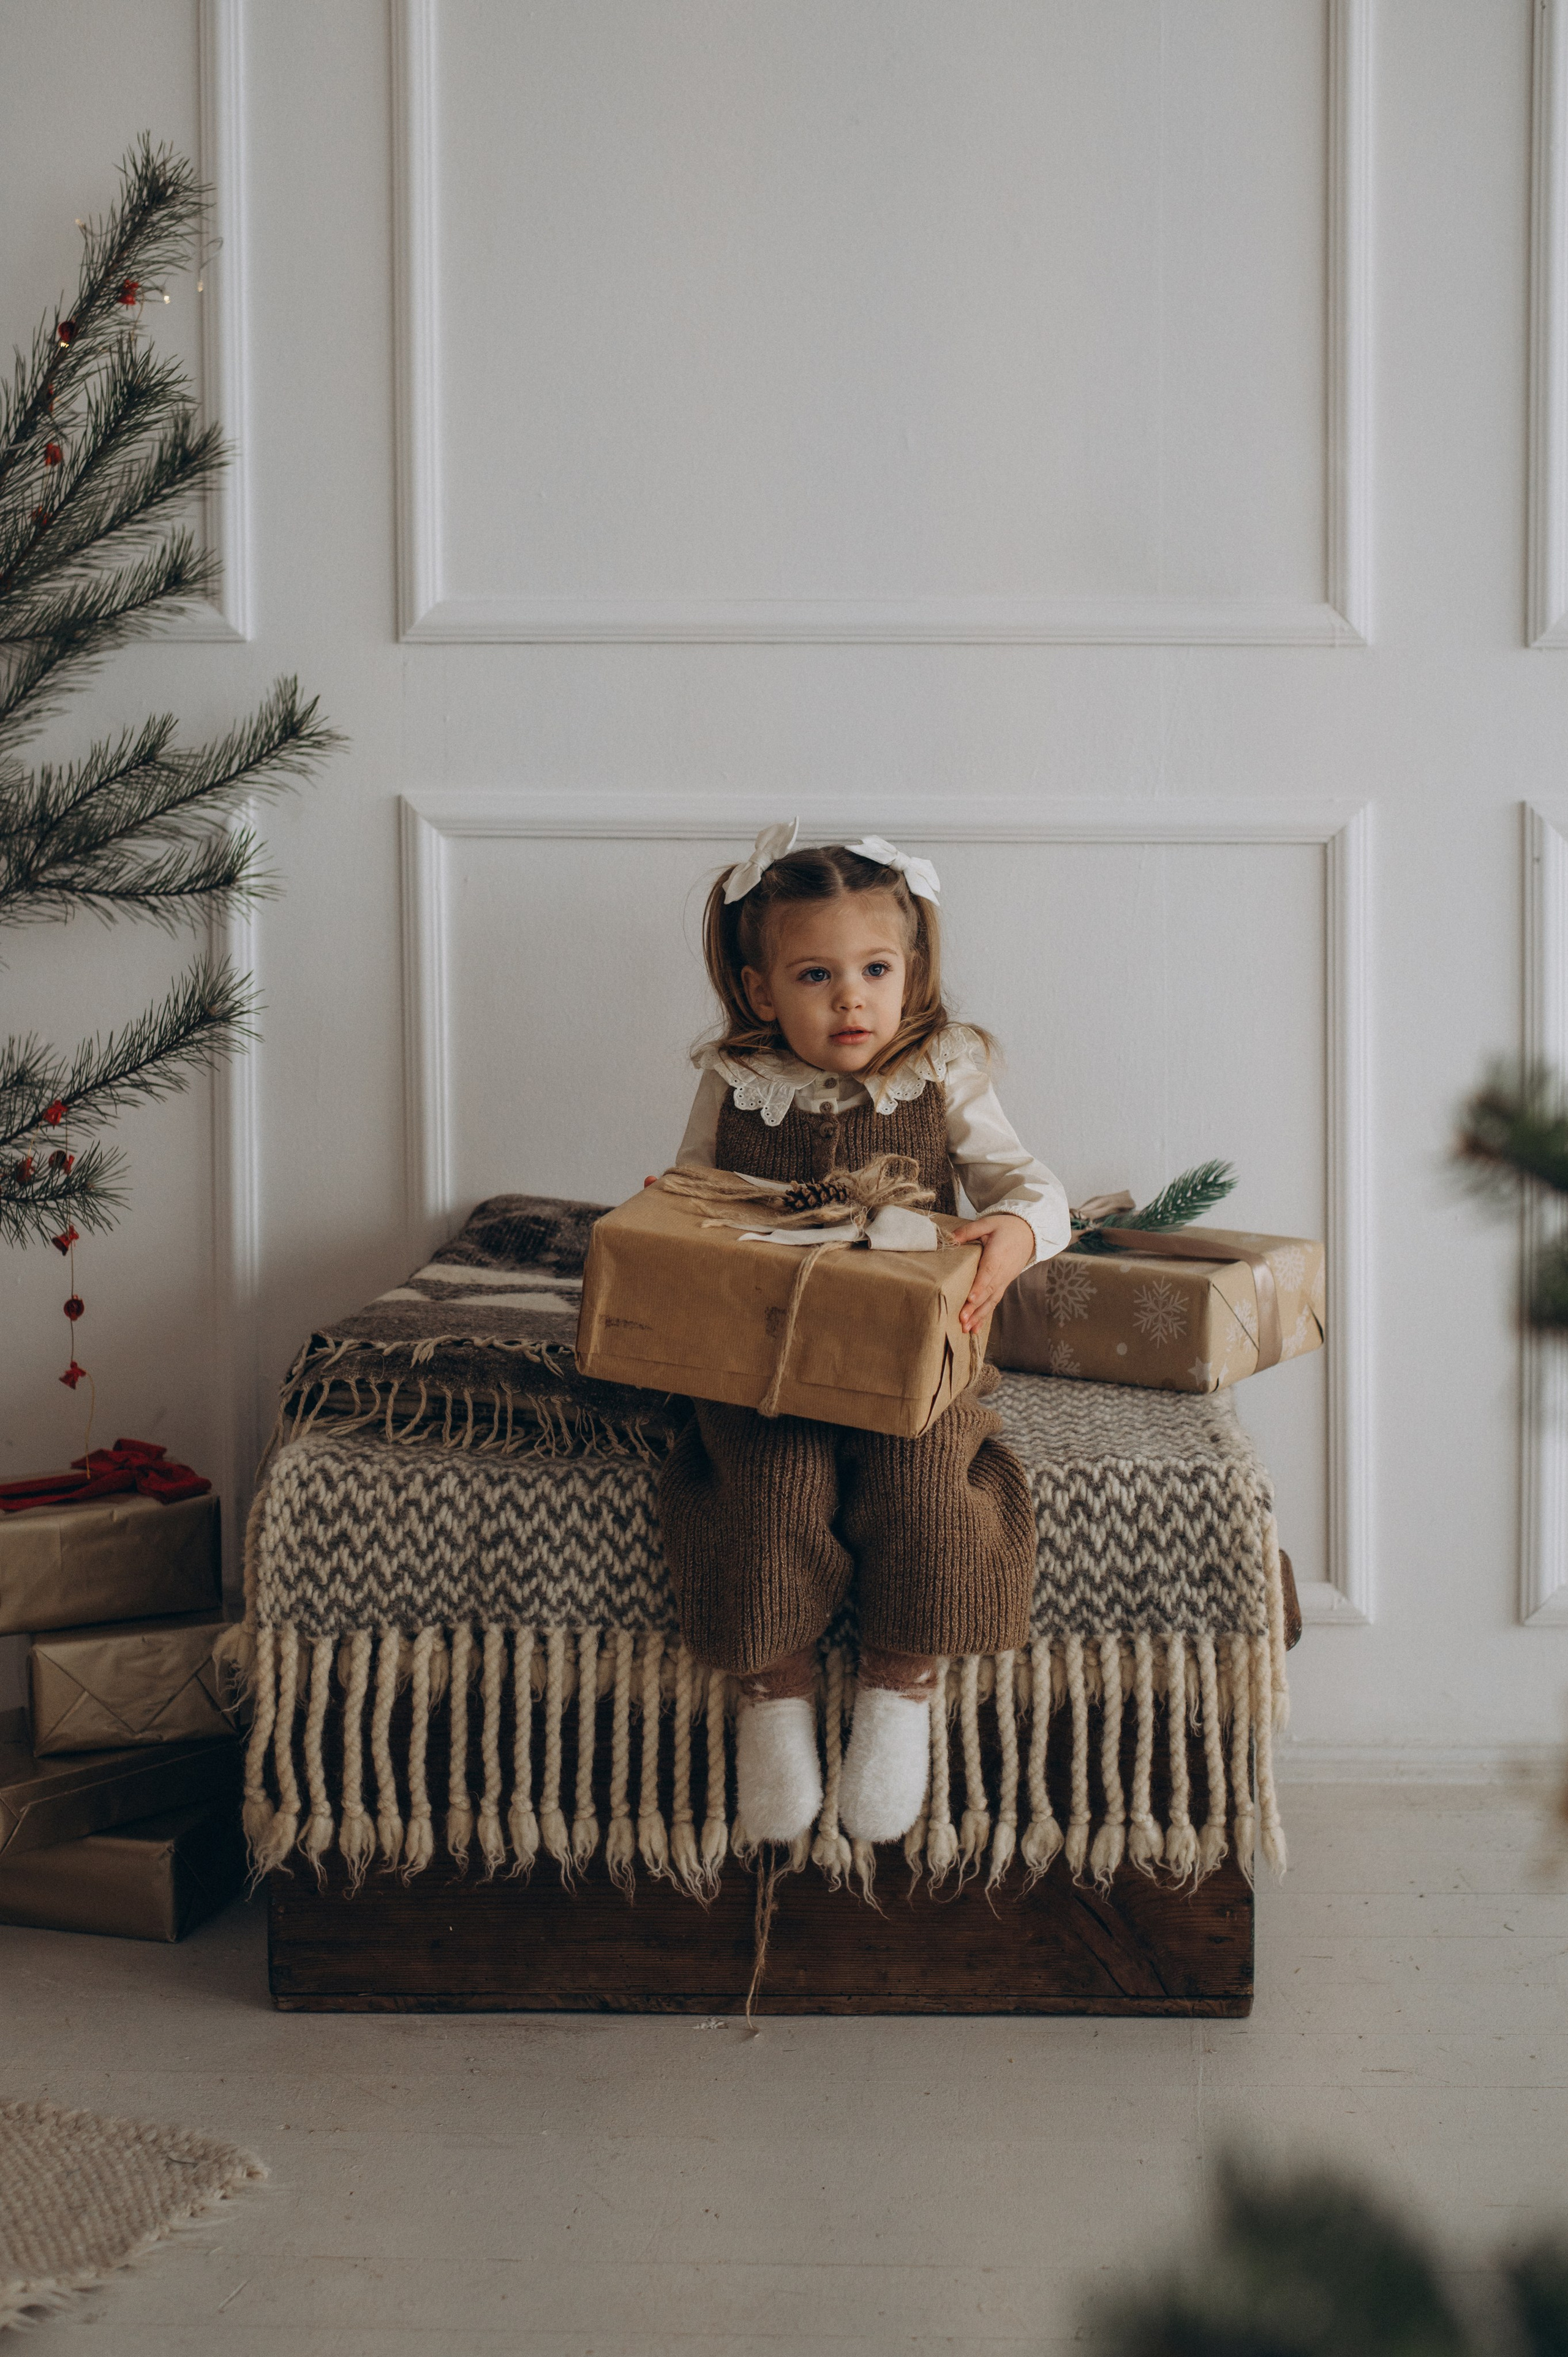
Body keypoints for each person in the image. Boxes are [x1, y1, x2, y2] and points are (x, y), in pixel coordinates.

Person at [657, 823, 1070, 1846]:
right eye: (815, 974)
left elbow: (1031, 1186)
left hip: (909, 1357)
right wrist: (674, 1223)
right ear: (761, 993)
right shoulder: (737, 1079)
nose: (852, 999)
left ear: (911, 970)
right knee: (762, 1479)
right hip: (774, 1353)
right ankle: (775, 1698)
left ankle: (900, 1690)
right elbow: (694, 1200)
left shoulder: (944, 1071)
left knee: (925, 1479)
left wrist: (1013, 1233)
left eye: (875, 969)